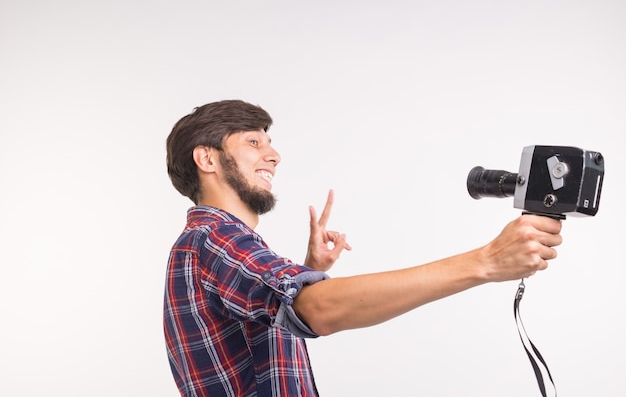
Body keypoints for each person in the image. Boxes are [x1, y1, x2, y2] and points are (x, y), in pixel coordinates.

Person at [163, 99, 562, 397]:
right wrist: (488, 261)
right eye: (254, 142)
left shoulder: (208, 244)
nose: (274, 155)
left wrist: (307, 271)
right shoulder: (215, 239)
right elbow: (320, 312)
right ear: (207, 159)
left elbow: (261, 342)